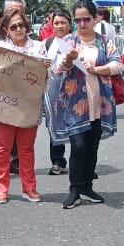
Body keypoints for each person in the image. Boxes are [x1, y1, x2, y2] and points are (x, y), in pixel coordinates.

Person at [46, 0, 122, 208]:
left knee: (92, 144)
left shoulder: (105, 41)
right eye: (78, 20)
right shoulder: (67, 41)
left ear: (95, 18)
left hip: (99, 101)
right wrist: (68, 60)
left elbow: (117, 64)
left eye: (86, 19)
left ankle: (87, 185)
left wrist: (97, 69)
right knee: (78, 145)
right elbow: (55, 69)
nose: (81, 24)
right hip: (74, 103)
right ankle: (75, 189)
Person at [0, 8, 47, 203]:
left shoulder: (39, 47)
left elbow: (45, 75)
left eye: (21, 25)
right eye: (13, 26)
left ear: (26, 26)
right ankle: (0, 188)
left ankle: (29, 188)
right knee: (2, 148)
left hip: (29, 105)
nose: (18, 29)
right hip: (6, 105)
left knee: (26, 148)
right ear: (6, 29)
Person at [45, 11, 74, 175]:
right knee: (54, 126)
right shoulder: (47, 43)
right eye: (56, 23)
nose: (60, 26)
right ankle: (57, 160)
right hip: (54, 91)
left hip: (76, 91)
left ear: (70, 24)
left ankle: (83, 164)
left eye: (63, 22)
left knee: (78, 128)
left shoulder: (76, 41)